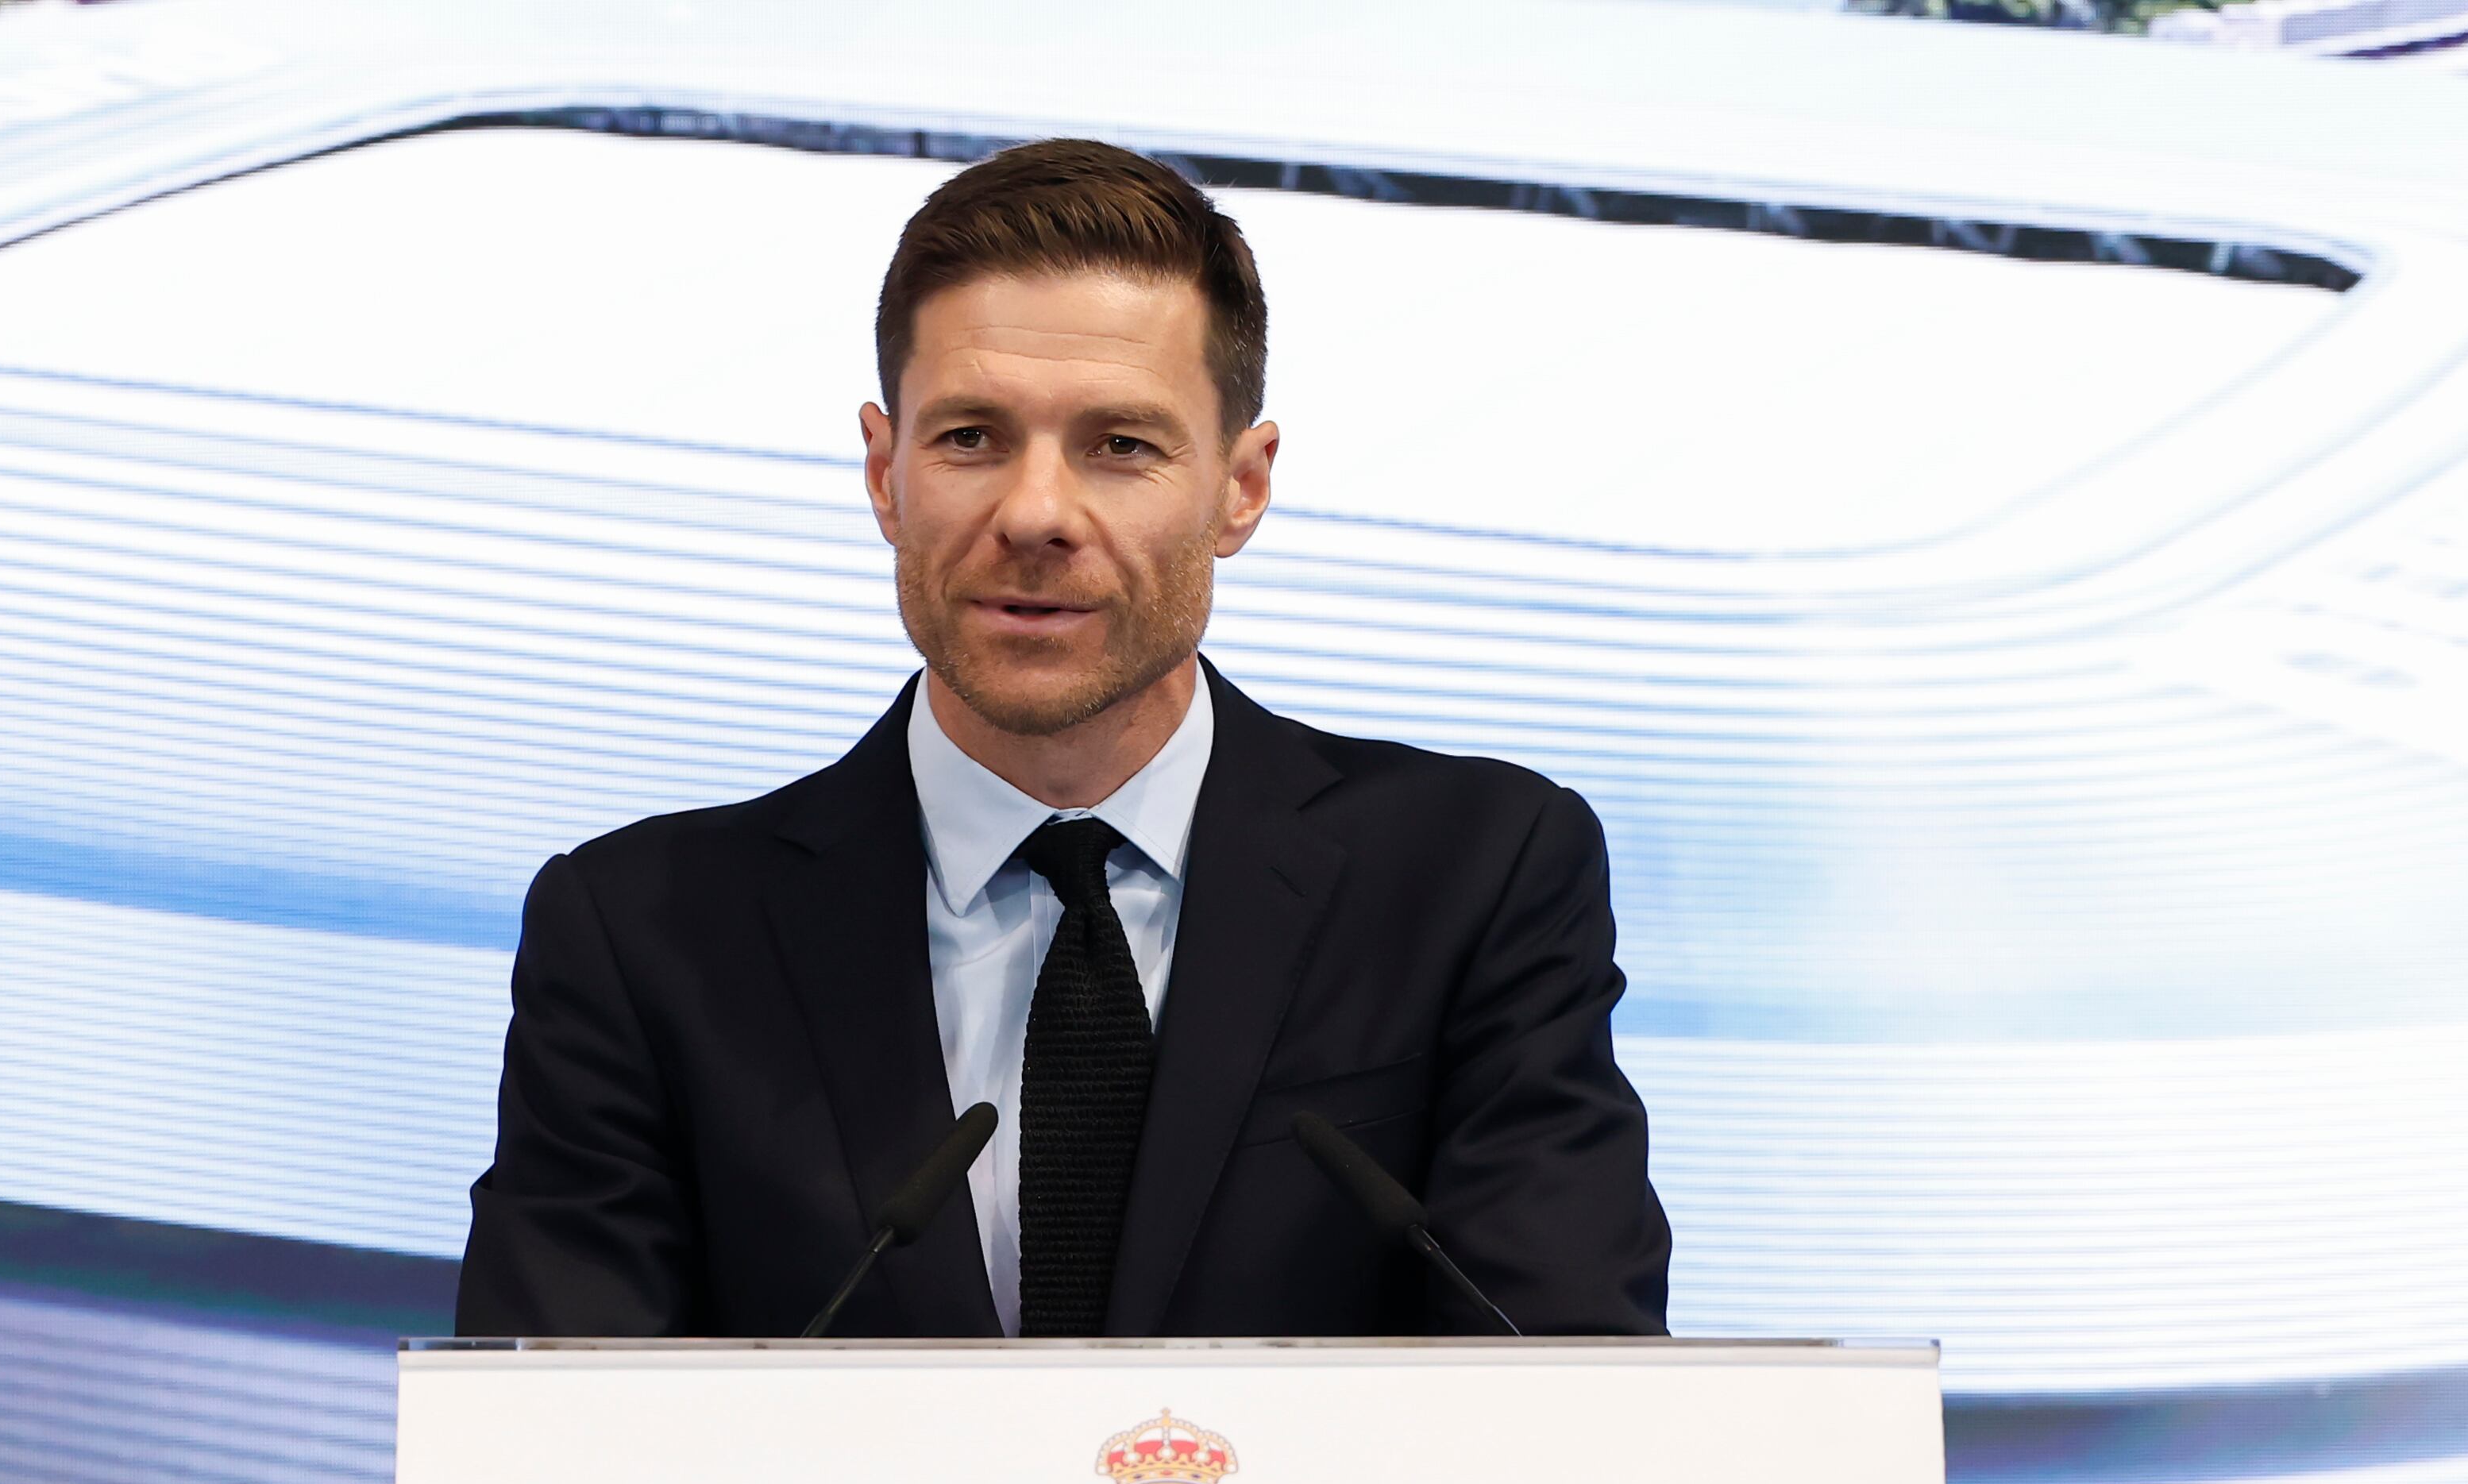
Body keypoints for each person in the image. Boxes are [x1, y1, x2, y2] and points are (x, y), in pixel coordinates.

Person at [458, 140, 1667, 1339]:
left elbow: (1572, 1410)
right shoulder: (642, 935)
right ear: (885, 473)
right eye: (971, 438)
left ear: (1240, 486)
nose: (1035, 514)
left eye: (1122, 445)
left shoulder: (1472, 879)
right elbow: (548, 1469)